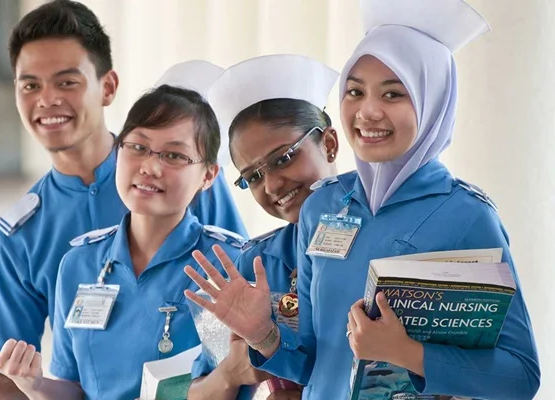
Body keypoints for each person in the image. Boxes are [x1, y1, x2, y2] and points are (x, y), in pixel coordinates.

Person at [0, 1, 246, 399]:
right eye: (30, 85)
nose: (47, 99)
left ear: (108, 87)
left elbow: (238, 328)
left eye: (67, 82)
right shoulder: (22, 235)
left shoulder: (183, 180)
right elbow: (12, 383)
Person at [183, 1, 540, 399]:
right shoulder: (322, 208)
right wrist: (264, 335)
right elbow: (312, 362)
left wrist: (407, 353)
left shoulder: (467, 216)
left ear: (432, 101)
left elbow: (521, 376)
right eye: (355, 91)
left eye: (393, 93)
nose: (368, 111)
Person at [0, 71, 247, 400]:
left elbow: (230, 383)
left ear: (208, 175)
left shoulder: (227, 266)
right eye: (138, 147)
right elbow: (75, 389)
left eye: (174, 155)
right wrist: (33, 383)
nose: (150, 167)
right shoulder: (80, 264)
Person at [186, 55, 340, 400]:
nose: (271, 186)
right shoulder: (252, 267)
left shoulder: (383, 239)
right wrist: (235, 370)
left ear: (328, 144)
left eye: (284, 158)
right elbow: (201, 389)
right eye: (253, 176)